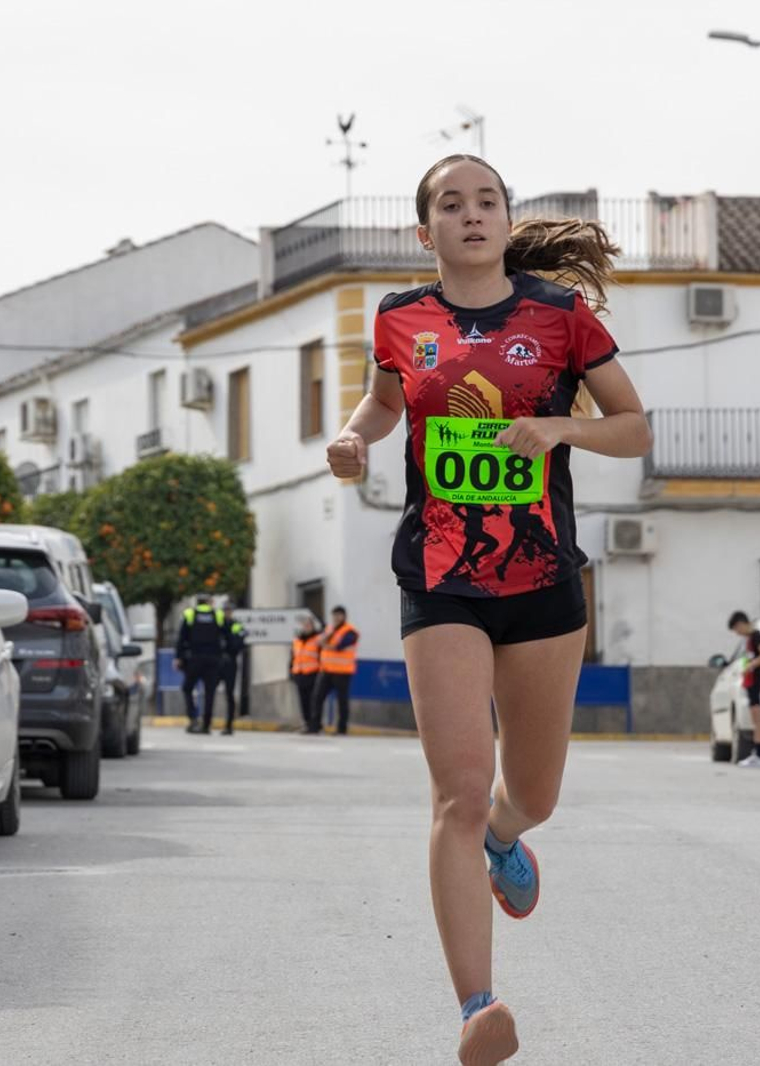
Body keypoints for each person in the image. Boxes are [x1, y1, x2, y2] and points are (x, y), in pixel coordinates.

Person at [324, 154, 651, 1066]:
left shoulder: (560, 317)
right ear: (425, 233)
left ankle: (510, 837)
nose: (472, 215)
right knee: (457, 796)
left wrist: (559, 427)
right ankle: (480, 1007)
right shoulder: (400, 318)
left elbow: (634, 426)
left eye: (488, 201)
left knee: (528, 797)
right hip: (441, 580)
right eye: (451, 205)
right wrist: (353, 437)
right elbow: (385, 404)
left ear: (507, 221)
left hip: (545, 582)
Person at [728, 610, 760, 767]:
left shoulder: (756, 636)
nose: (737, 633)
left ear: (741, 624)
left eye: (736, 629)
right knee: (755, 718)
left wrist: (751, 665)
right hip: (750, 682)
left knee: (758, 718)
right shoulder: (750, 639)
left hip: (755, 681)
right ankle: (757, 752)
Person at [175, 599, 225, 735]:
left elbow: (181, 637)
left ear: (197, 602)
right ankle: (207, 724)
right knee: (210, 692)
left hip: (194, 659)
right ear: (209, 603)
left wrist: (179, 657)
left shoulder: (190, 614)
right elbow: (224, 635)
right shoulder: (218, 614)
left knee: (187, 688)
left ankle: (193, 719)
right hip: (213, 659)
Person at [311, 605, 359, 735]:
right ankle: (315, 727)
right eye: (334, 615)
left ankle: (341, 729)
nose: (336, 618)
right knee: (317, 697)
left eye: (338, 615)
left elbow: (340, 646)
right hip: (326, 670)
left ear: (344, 616)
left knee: (342, 701)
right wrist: (325, 642)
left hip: (342, 671)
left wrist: (326, 644)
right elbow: (318, 642)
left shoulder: (350, 631)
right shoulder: (329, 629)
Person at [290, 616, 323, 734]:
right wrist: (291, 672)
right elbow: (293, 657)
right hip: (299, 674)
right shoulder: (297, 640)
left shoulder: (317, 639)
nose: (306, 627)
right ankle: (307, 723)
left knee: (313, 701)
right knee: (303, 701)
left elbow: (321, 657)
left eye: (309, 625)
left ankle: (315, 725)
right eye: (305, 625)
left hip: (313, 673)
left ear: (313, 627)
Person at [216, 607, 247, 735]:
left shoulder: (236, 625)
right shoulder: (217, 625)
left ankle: (229, 725)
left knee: (229, 694)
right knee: (210, 691)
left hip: (230, 662)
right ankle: (205, 722)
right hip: (217, 662)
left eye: (229, 611)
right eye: (225, 611)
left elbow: (240, 642)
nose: (227, 613)